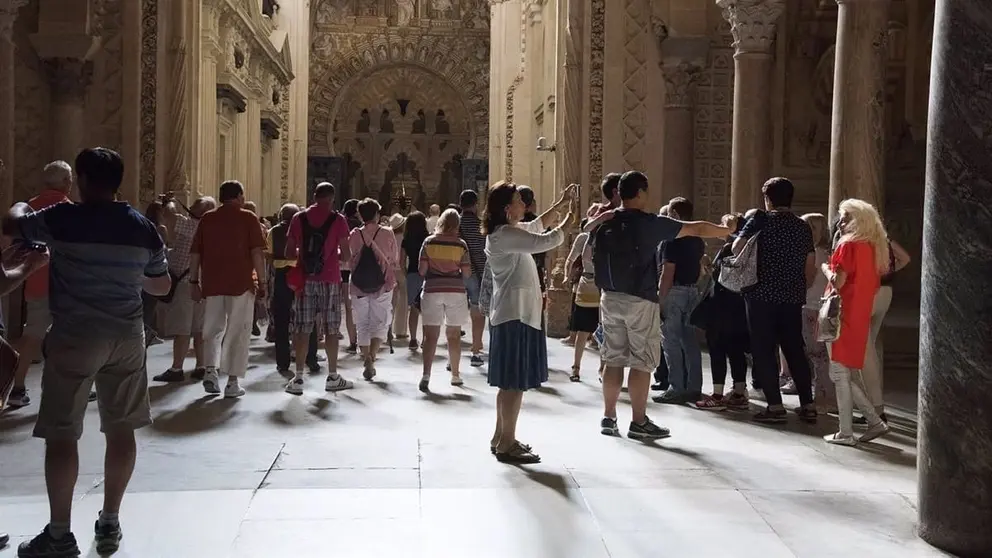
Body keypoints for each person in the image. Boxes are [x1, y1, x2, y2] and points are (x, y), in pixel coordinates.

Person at [2, 147, 172, 557]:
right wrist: (132, 280)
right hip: (127, 336)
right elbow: (161, 286)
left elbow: (12, 223)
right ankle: (110, 522)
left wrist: (26, 200)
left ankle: (59, 535)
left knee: (62, 435)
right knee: (121, 428)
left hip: (75, 334)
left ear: (79, 179)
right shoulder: (144, 228)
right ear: (119, 181)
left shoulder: (62, 219)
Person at [588, 171, 731, 440]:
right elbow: (696, 228)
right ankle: (639, 421)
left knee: (613, 359)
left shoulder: (605, 220)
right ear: (640, 193)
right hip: (640, 299)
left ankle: (608, 416)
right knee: (642, 363)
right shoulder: (649, 223)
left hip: (609, 296)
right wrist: (727, 230)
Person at [485, 182, 574, 464]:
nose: (524, 204)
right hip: (515, 314)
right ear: (507, 208)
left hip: (515, 312)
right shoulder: (505, 235)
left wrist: (558, 206)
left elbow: (536, 227)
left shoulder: (507, 232)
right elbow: (543, 241)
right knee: (513, 384)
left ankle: (501, 436)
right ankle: (507, 443)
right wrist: (570, 221)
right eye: (519, 200)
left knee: (509, 383)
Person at [733, 177, 818, 424]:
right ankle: (808, 404)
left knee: (763, 349)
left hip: (760, 295)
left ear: (767, 198)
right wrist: (800, 287)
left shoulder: (759, 221)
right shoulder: (802, 227)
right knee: (794, 349)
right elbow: (809, 266)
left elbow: (737, 249)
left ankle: (774, 406)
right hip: (792, 296)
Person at [822, 199, 891, 446]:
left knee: (839, 373)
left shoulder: (848, 246)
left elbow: (838, 282)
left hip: (841, 314)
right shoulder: (875, 248)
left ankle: (846, 432)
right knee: (842, 372)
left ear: (857, 220)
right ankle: (873, 421)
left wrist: (825, 269)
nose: (840, 222)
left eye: (844, 217)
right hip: (859, 313)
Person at [189, 180, 267, 398]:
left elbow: (195, 253)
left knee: (212, 330)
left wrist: (193, 282)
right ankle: (232, 382)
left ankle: (210, 372)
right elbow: (257, 253)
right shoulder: (248, 218)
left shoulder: (208, 219)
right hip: (241, 283)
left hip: (212, 284)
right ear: (240, 197)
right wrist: (263, 282)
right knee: (237, 331)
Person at [7, 160, 73, 409]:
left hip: (34, 280)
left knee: (31, 336)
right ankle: (64, 388)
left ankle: (18, 387)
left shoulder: (28, 207)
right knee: (67, 338)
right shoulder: (69, 210)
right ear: (67, 182)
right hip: (64, 285)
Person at [285, 182, 353, 393]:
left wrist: (306, 255)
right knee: (331, 329)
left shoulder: (299, 218)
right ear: (332, 198)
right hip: (330, 279)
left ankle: (297, 378)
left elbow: (288, 253)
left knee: (303, 328)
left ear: (314, 196)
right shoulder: (338, 219)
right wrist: (331, 256)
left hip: (306, 280)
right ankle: (332, 376)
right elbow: (347, 254)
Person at [153, 196, 217, 383]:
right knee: (199, 328)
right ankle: (201, 366)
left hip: (186, 283)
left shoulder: (192, 225)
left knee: (182, 328)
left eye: (195, 205)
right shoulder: (211, 229)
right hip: (203, 283)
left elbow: (169, 215)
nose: (190, 207)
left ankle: (176, 368)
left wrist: (170, 201)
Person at [693, 214, 751, 411]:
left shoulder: (730, 248)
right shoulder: (750, 248)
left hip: (722, 306)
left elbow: (721, 277)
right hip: (739, 306)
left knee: (717, 348)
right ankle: (739, 392)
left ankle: (717, 395)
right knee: (736, 350)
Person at [653, 197, 707, 404]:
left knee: (671, 342)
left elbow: (668, 272)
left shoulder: (671, 239)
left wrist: (660, 300)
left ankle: (676, 387)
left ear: (675, 214)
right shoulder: (697, 239)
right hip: (692, 292)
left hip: (674, 292)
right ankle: (694, 387)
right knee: (690, 342)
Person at [418, 208, 472, 391]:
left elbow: (422, 271)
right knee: (454, 335)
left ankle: (426, 375)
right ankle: (455, 375)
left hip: (432, 289)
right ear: (457, 225)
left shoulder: (428, 242)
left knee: (430, 336)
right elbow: (466, 273)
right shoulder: (461, 245)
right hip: (455, 291)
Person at [346, 198, 397, 382]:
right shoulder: (387, 233)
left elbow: (348, 258)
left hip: (358, 283)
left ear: (360, 215)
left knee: (362, 322)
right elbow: (394, 259)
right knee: (380, 321)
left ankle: (365, 356)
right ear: (377, 214)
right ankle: (372, 358)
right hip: (382, 283)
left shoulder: (354, 234)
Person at [267, 204, 320, 375]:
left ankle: (282, 362)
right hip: (301, 275)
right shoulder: (305, 229)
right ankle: (311, 358)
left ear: (281, 215)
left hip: (282, 276)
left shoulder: (273, 232)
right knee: (307, 317)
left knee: (281, 319)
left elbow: (268, 255)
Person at [861, 236, 911, 421]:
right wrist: (888, 271)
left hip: (870, 292)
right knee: (869, 348)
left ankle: (874, 410)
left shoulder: (863, 241)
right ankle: (873, 408)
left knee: (865, 354)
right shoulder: (885, 239)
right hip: (886, 291)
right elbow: (905, 259)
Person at [563, 220, 599, 381]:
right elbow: (571, 259)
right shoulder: (584, 238)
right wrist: (566, 276)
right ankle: (576, 367)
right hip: (587, 285)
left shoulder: (609, 235)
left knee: (606, 330)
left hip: (604, 287)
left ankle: (603, 369)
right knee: (583, 330)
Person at [458, 189, 487, 366]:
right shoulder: (481, 225)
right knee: (478, 314)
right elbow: (485, 252)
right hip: (478, 275)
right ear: (476, 204)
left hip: (458, 275)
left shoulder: (453, 224)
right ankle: (476, 351)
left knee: (454, 316)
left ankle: (453, 358)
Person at [400, 211, 430, 350]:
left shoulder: (406, 240)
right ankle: (425, 339)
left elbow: (401, 261)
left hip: (412, 273)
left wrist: (407, 274)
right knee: (426, 309)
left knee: (413, 308)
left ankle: (412, 339)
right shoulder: (428, 238)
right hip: (427, 275)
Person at [341, 198, 362, 351]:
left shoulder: (340, 223)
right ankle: (363, 339)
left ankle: (352, 341)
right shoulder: (361, 227)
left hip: (342, 269)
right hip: (358, 268)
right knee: (361, 307)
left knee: (348, 308)